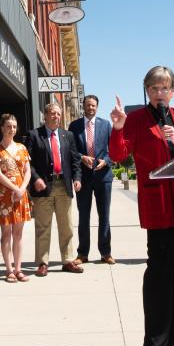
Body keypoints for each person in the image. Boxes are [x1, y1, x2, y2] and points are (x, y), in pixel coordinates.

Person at [109, 65, 174, 346]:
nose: (160, 93)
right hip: (159, 204)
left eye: (165, 88)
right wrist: (117, 128)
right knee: (160, 274)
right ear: (147, 91)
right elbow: (117, 155)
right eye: (154, 88)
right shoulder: (136, 119)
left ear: (173, 90)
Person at [25, 103, 82, 276]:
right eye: (53, 113)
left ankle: (68, 260)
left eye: (58, 114)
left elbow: (75, 161)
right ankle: (43, 262)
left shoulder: (68, 136)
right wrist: (36, 179)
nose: (56, 116)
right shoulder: (34, 135)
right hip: (43, 187)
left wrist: (77, 179)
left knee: (67, 226)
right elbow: (28, 162)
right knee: (43, 226)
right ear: (46, 115)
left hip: (63, 185)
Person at [68, 95, 115, 265]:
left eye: (93, 105)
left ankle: (106, 253)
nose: (91, 108)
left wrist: (106, 161)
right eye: (88, 105)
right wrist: (81, 157)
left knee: (104, 216)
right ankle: (83, 254)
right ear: (83, 106)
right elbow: (70, 150)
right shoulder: (74, 126)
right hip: (84, 177)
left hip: (103, 177)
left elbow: (113, 149)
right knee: (84, 217)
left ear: (97, 107)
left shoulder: (106, 125)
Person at [0, 114, 32, 283]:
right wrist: (15, 189)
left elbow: (27, 171)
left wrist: (22, 189)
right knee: (6, 234)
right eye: (8, 126)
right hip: (5, 195)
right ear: (2, 128)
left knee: (18, 234)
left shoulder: (22, 148)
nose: (11, 129)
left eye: (14, 126)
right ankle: (9, 270)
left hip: (20, 194)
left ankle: (19, 269)